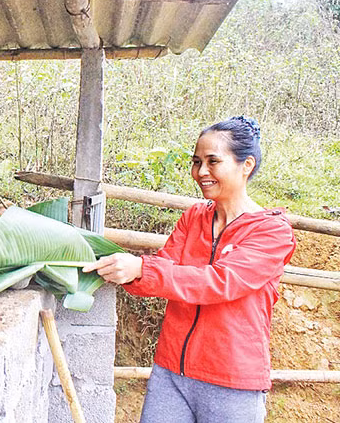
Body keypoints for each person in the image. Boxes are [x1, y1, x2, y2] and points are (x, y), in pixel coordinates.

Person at [83, 116, 296, 423]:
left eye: (213, 161)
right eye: (197, 162)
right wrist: (123, 269)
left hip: (232, 382)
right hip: (171, 372)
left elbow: (220, 282)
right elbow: (164, 267)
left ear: (246, 165)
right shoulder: (195, 216)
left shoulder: (272, 232)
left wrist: (142, 269)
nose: (201, 172)